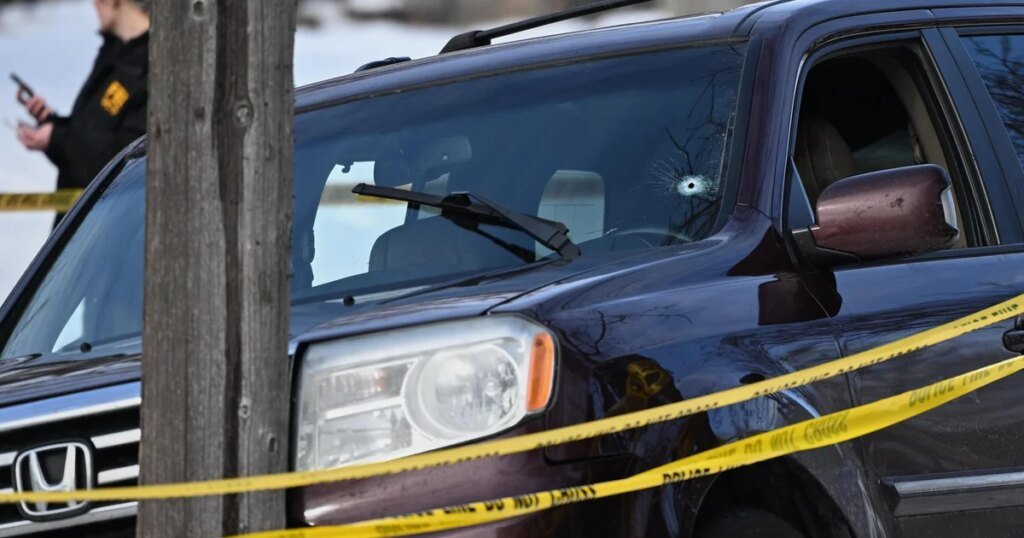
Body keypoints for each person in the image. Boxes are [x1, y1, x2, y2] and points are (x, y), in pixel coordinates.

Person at [16, 0, 150, 192]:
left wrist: (57, 139)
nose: (93, 5)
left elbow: (130, 163)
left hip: (113, 216)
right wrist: (51, 123)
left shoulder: (154, 62)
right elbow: (92, 130)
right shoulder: (113, 53)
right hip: (89, 215)